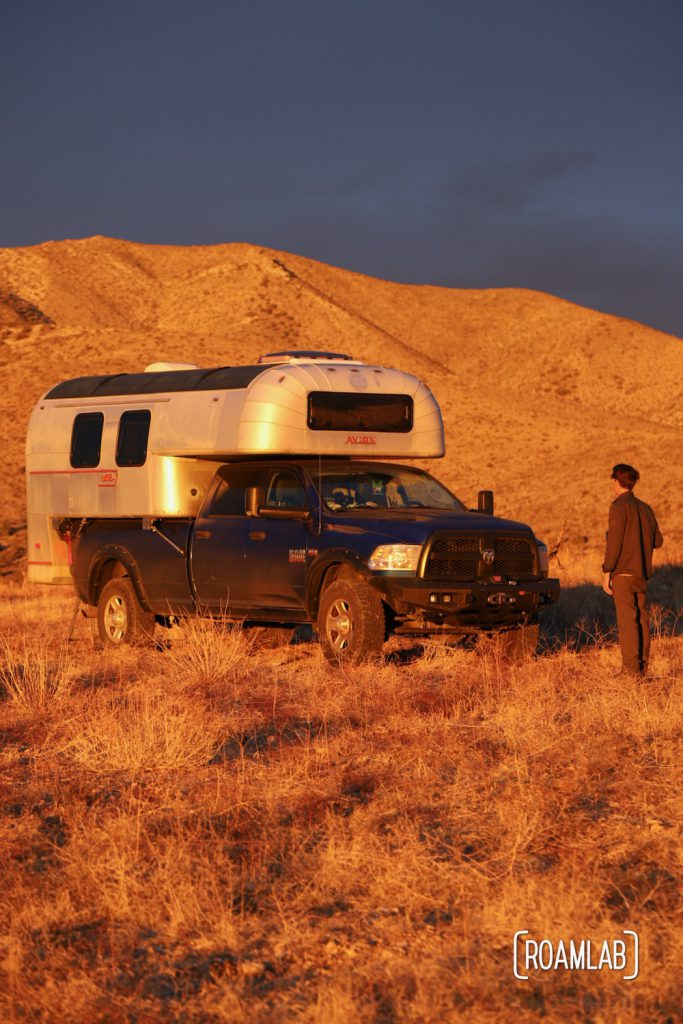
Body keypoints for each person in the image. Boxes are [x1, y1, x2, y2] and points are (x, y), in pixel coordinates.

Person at [602, 464, 663, 676]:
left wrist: (606, 571)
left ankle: (630, 670)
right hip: (641, 574)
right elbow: (658, 540)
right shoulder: (646, 509)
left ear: (617, 481)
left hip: (623, 574)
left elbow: (614, 544)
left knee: (627, 621)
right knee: (641, 620)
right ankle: (642, 668)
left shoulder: (618, 507)